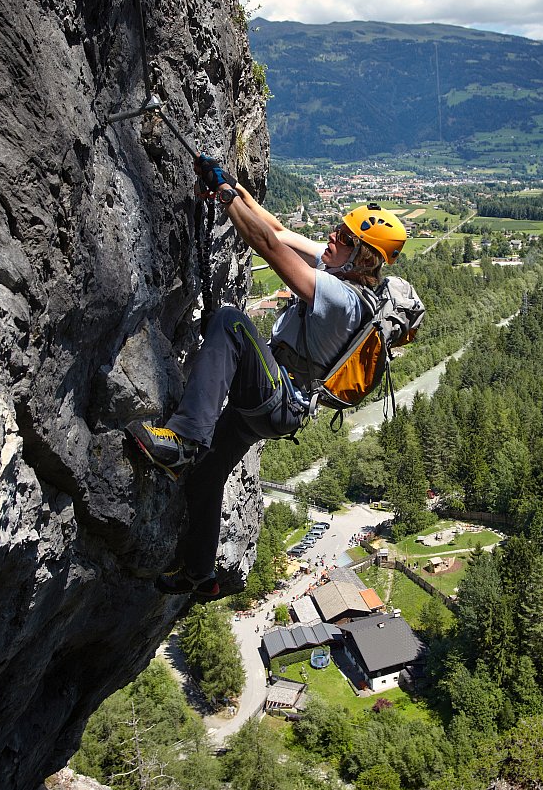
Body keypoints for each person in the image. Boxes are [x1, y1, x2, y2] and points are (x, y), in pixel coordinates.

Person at [125, 155, 407, 597]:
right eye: (338, 229)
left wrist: (224, 200)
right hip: (277, 405)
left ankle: (181, 440)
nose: (331, 237)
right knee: (207, 474)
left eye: (343, 236)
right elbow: (277, 230)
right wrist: (236, 189)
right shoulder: (346, 271)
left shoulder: (341, 298)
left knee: (232, 324)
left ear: (362, 256)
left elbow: (270, 249)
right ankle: (199, 574)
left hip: (277, 395)